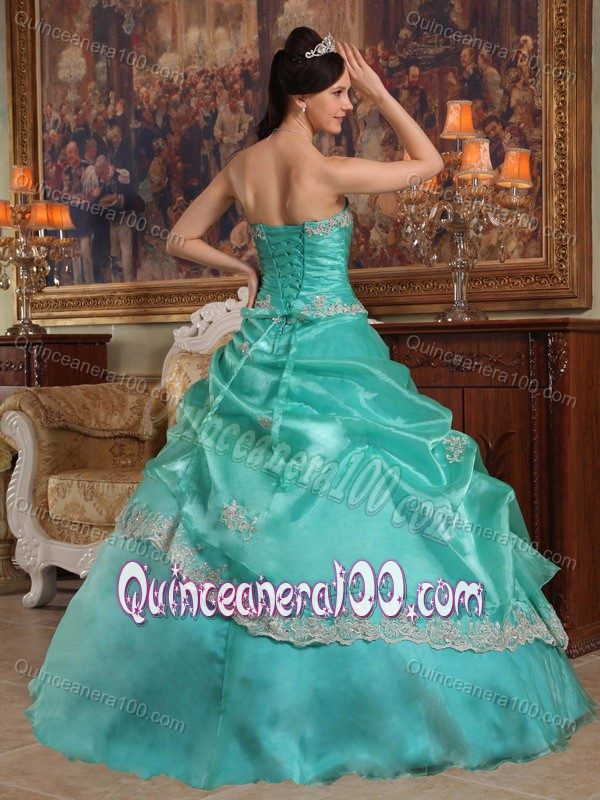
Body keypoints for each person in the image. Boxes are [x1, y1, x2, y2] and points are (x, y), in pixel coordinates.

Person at [24, 26, 596, 791]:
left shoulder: (245, 164)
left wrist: (243, 270)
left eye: (353, 94)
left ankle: (234, 700)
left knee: (244, 514)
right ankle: (361, 698)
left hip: (260, 349)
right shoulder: (326, 169)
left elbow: (181, 236)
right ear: (302, 97)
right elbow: (428, 162)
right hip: (334, 347)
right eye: (340, 94)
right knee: (361, 508)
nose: (348, 105)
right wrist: (388, 95)